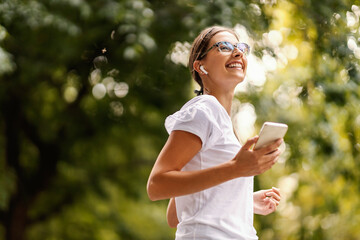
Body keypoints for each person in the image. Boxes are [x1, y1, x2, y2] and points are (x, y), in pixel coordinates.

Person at [147, 26, 282, 240]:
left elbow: (175, 216)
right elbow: (156, 185)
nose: (237, 52)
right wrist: (235, 169)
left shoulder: (223, 123)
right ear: (201, 66)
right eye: (224, 47)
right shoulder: (204, 110)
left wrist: (244, 200)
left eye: (240, 48)